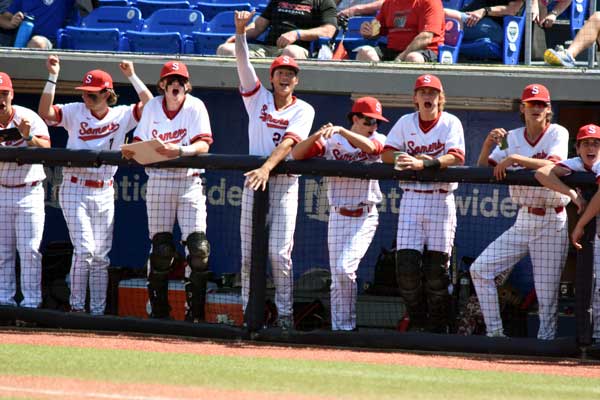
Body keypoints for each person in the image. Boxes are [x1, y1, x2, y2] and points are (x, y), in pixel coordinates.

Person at [38, 55, 152, 315]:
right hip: (75, 186)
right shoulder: (74, 111)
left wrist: (132, 76)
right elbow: (45, 113)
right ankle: (77, 308)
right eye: (85, 93)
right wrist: (53, 75)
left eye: (92, 94)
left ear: (107, 94)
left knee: (101, 257)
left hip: (104, 188)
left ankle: (98, 311)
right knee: (85, 249)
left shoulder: (122, 114)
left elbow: (151, 104)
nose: (86, 98)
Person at [233, 10, 315, 329]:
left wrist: (267, 167)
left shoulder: (304, 108)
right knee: (248, 256)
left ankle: (284, 316)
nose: (285, 77)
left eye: (290, 73)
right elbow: (242, 65)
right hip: (255, 181)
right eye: (280, 72)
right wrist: (241, 33)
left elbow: (290, 143)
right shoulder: (258, 100)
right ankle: (247, 312)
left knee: (279, 255)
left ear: (296, 80)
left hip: (282, 184)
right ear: (272, 76)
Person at [470, 83, 570, 339]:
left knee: (547, 295)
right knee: (480, 269)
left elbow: (554, 166)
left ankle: (545, 346)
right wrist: (487, 145)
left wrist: (515, 159)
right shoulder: (512, 137)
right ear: (522, 109)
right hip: (524, 218)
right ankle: (495, 334)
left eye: (541, 104)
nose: (536, 108)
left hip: (551, 218)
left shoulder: (558, 132)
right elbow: (484, 169)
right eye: (531, 104)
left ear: (548, 110)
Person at [122, 61, 213, 322]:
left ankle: (195, 314)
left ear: (187, 85)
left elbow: (203, 145)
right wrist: (133, 151)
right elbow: (139, 143)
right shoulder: (152, 107)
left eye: (181, 80)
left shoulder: (195, 106)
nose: (176, 84)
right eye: (171, 80)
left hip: (188, 180)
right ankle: (159, 312)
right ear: (162, 85)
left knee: (199, 248)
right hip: (159, 180)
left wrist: (180, 150)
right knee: (161, 250)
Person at [292, 97, 387, 331]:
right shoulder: (333, 140)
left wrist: (343, 131)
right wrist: (318, 135)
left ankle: (348, 326)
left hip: (365, 215)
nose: (373, 126)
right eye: (368, 121)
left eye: (376, 122)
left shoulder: (378, 138)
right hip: (338, 215)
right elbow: (297, 155)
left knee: (346, 269)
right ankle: (339, 329)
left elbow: (372, 148)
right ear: (355, 118)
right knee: (338, 278)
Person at [381, 74, 465, 332]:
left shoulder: (451, 122)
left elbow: (457, 157)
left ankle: (438, 328)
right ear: (415, 98)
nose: (428, 97)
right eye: (423, 92)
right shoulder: (406, 122)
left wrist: (424, 163)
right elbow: (385, 153)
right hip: (412, 199)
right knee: (405, 270)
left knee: (436, 274)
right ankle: (417, 323)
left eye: (433, 93)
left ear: (441, 98)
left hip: (440, 201)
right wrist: (406, 156)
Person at [535, 123, 600, 343]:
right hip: (597, 234)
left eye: (596, 143)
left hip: (592, 227)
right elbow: (542, 173)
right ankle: (597, 339)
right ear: (578, 147)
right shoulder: (577, 164)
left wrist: (580, 224)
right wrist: (573, 194)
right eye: (586, 143)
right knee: (596, 288)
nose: (591, 147)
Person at [0, 71, 50, 310]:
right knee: (2, 253)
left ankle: (31, 305)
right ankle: (4, 304)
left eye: (4, 94)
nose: (1, 99)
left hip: (29, 191)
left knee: (30, 251)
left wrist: (28, 136)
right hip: (1, 190)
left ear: (12, 94)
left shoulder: (27, 116)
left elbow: (47, 148)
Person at [216, 1, 338, 60]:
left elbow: (329, 31)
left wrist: (297, 34)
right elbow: (258, 27)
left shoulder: (324, 2)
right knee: (225, 49)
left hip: (299, 49)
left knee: (290, 52)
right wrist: (240, 31)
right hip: (268, 48)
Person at [356, 0, 445, 62]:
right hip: (393, 50)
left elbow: (425, 37)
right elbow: (376, 31)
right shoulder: (389, 3)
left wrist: (401, 57)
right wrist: (367, 31)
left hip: (423, 51)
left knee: (413, 58)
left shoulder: (431, 2)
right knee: (364, 52)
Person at [443, 0, 523, 57]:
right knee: (444, 17)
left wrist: (485, 11)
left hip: (496, 29)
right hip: (470, 18)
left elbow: (513, 9)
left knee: (445, 15)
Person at [0, 0, 76, 48]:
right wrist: (11, 22)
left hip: (50, 42)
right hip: (21, 40)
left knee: (37, 42)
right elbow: (4, 18)